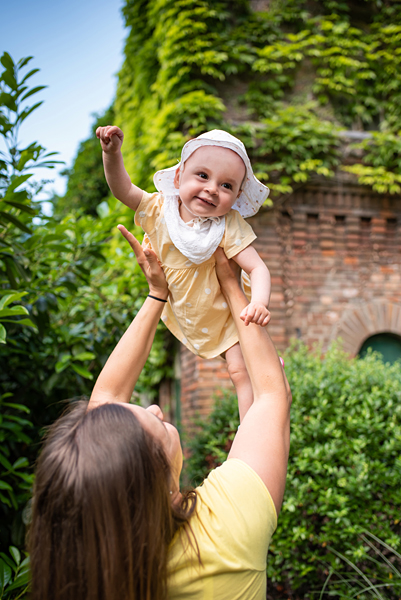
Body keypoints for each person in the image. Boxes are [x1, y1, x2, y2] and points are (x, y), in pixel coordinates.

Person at [29, 226, 291, 600]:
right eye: (157, 423)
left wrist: (158, 294)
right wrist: (231, 285)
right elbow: (271, 395)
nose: (155, 408)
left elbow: (105, 402)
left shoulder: (82, 567)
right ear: (159, 486)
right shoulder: (224, 537)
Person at [96, 126, 271, 420]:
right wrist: (111, 154)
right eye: (202, 175)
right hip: (185, 308)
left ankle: (248, 428)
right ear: (178, 177)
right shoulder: (159, 209)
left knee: (240, 372)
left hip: (227, 313)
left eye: (226, 186)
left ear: (237, 195)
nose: (212, 188)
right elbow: (122, 189)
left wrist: (260, 303)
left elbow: (258, 268)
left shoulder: (227, 225)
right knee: (239, 371)